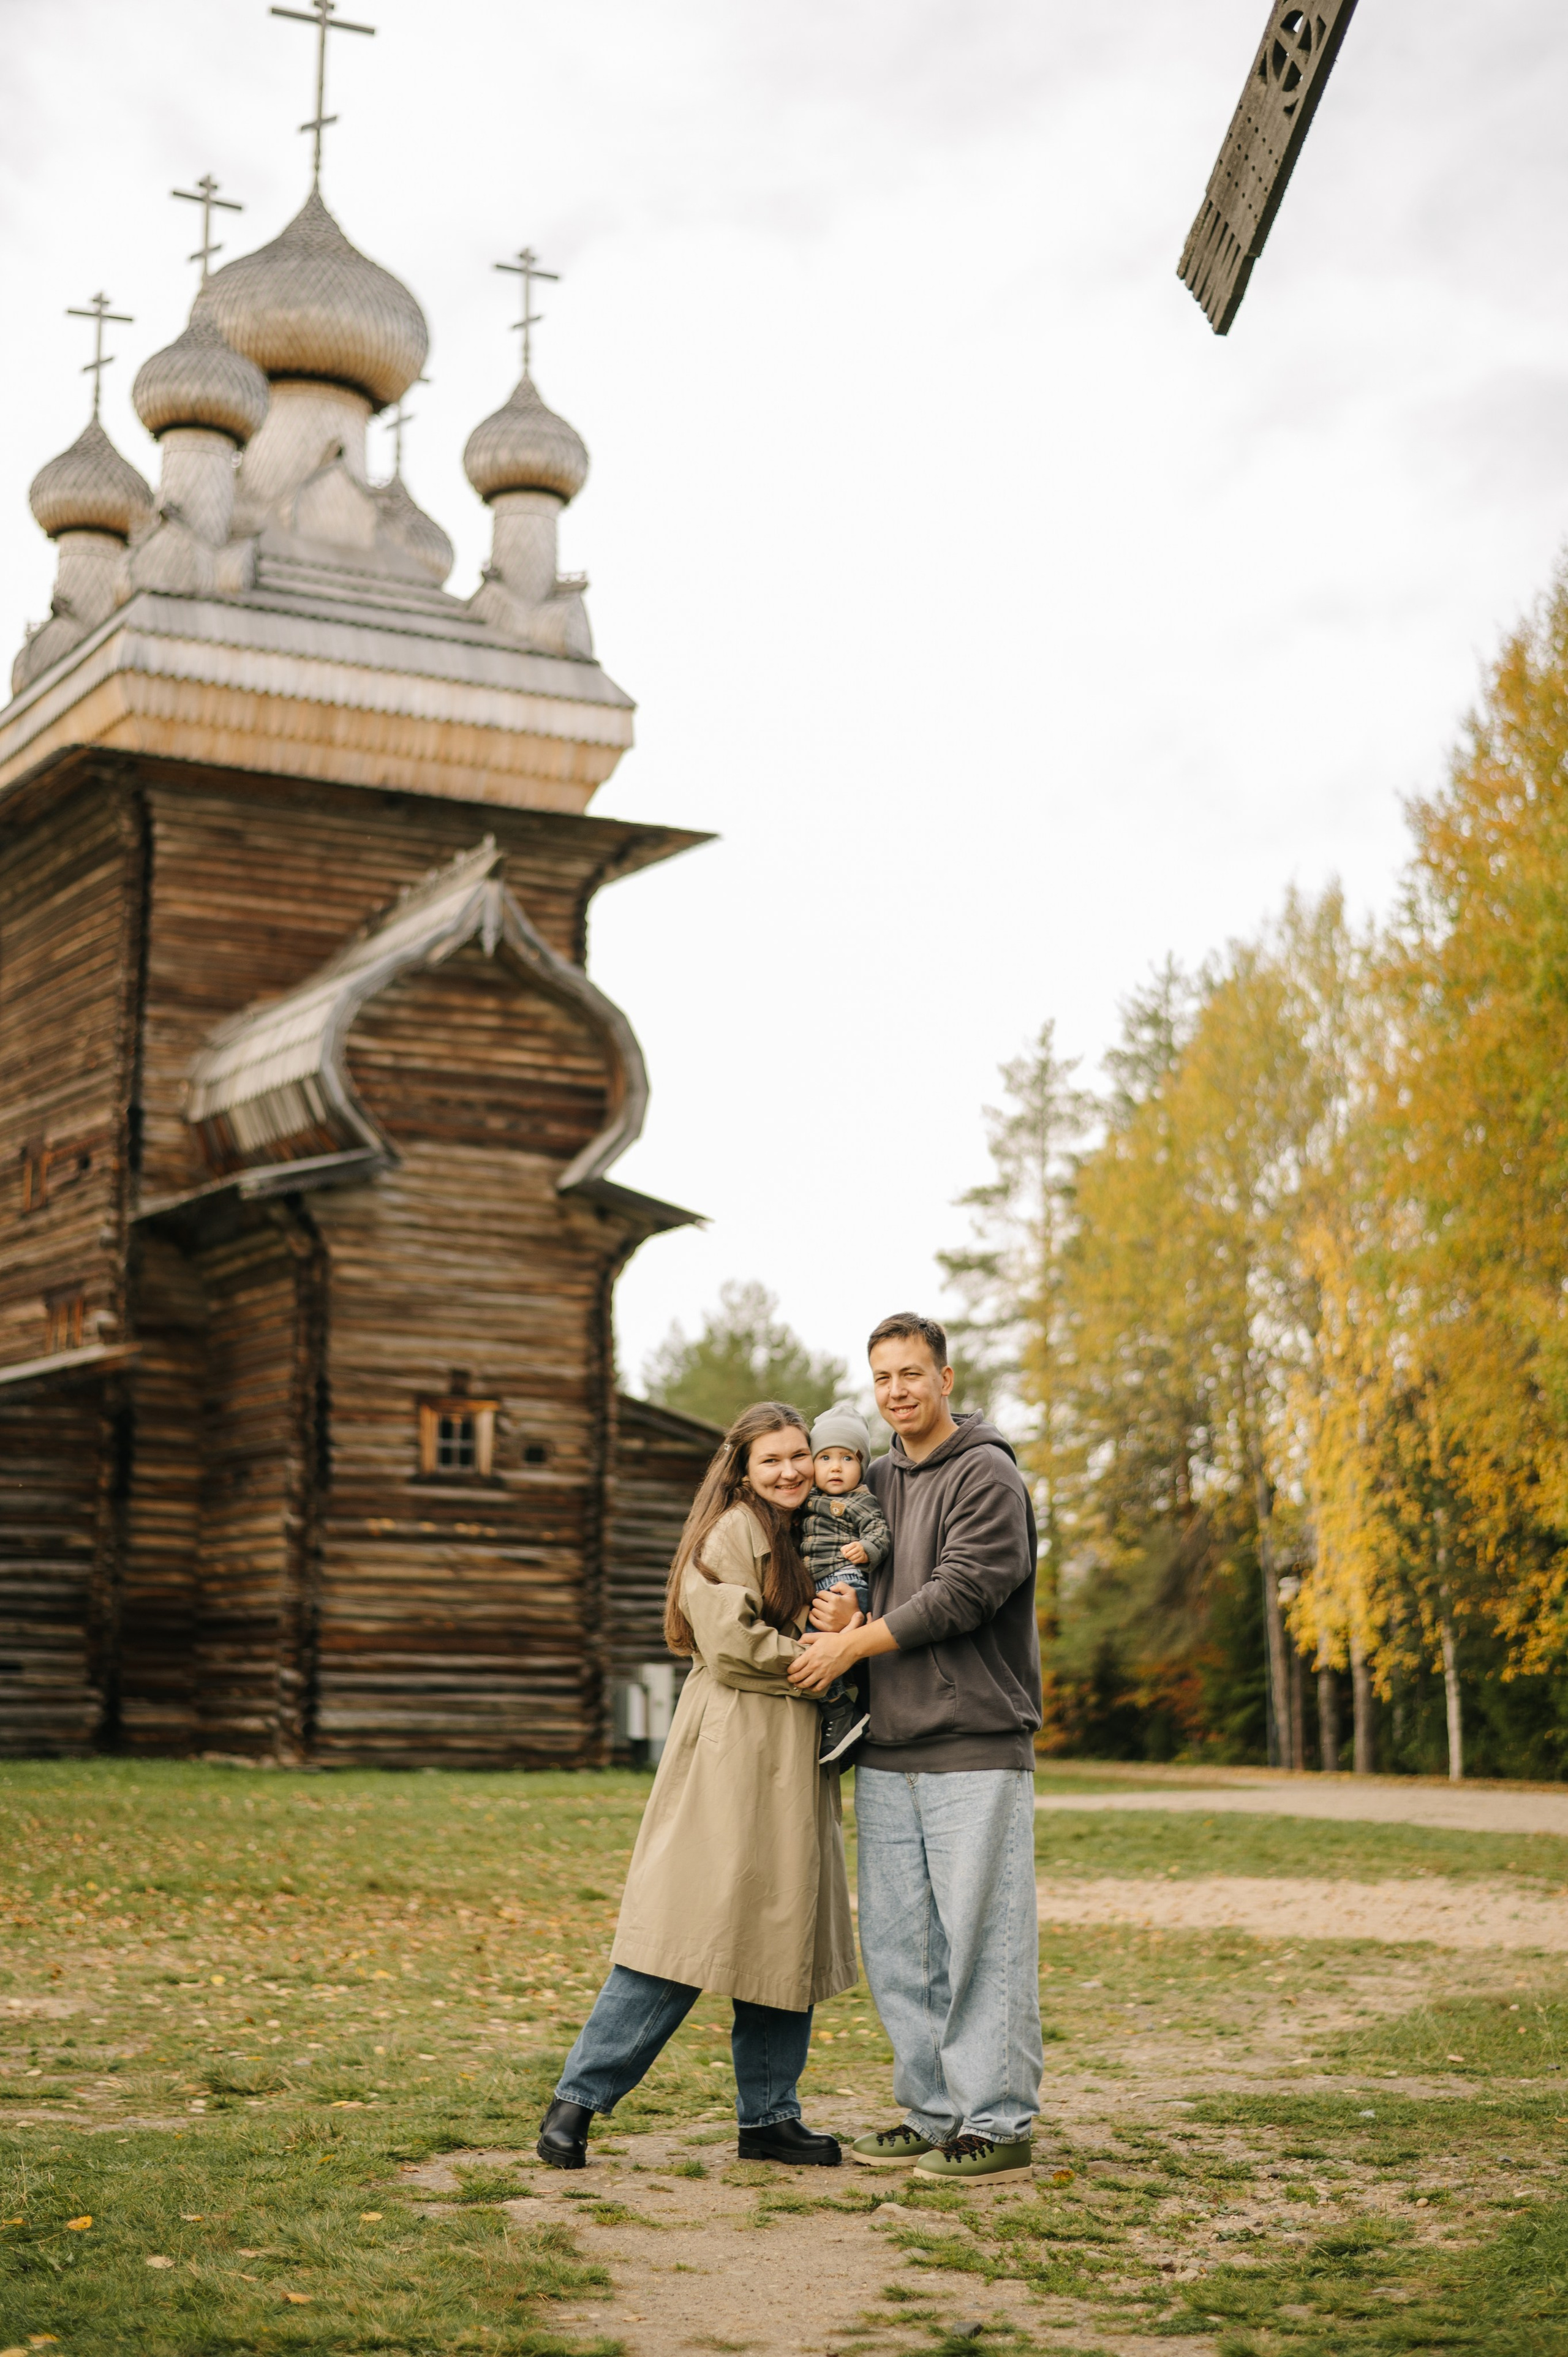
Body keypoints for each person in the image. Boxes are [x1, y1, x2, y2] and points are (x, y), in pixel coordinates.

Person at [536, 1400, 858, 2171]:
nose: (790, 1470)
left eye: (799, 1454)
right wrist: (831, 1658)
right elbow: (730, 1640)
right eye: (771, 1459)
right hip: (732, 1751)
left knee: (785, 1940)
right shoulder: (731, 1531)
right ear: (742, 1469)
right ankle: (574, 2103)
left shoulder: (810, 1530)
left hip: (791, 1756)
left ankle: (769, 2118)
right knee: (678, 1938)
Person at [787, 1312, 1043, 2184]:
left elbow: (963, 1592)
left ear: (946, 1378)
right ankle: (933, 2113)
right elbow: (851, 1569)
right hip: (887, 1745)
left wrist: (852, 1647)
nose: (897, 1392)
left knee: (982, 1938)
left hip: (975, 1740)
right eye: (882, 1378)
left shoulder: (987, 1475)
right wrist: (835, 1612)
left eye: (911, 1374)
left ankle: (1000, 2120)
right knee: (902, 1948)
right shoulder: (875, 1481)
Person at [800, 1402, 889, 1766]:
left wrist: (867, 1549)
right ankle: (837, 1709)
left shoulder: (861, 1501)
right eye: (825, 1458)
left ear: (862, 1465)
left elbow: (881, 1533)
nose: (836, 1467)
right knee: (805, 1645)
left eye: (847, 1459)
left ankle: (839, 1710)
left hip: (846, 1582)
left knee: (809, 1646)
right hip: (819, 1586)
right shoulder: (807, 1500)